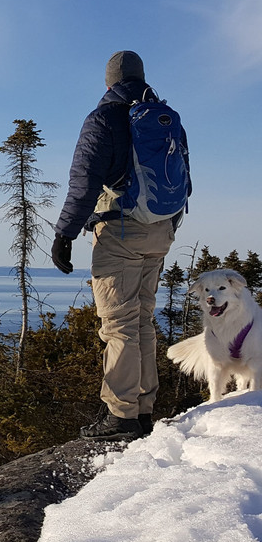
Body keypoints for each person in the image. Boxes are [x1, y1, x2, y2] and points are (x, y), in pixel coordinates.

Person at [51, 50, 189, 441]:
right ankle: (143, 408)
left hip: (121, 230)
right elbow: (185, 176)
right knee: (142, 318)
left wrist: (64, 234)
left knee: (119, 324)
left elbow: (84, 182)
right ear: (143, 77)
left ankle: (121, 415)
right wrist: (168, 225)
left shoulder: (105, 118)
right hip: (160, 230)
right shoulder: (166, 118)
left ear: (108, 82)